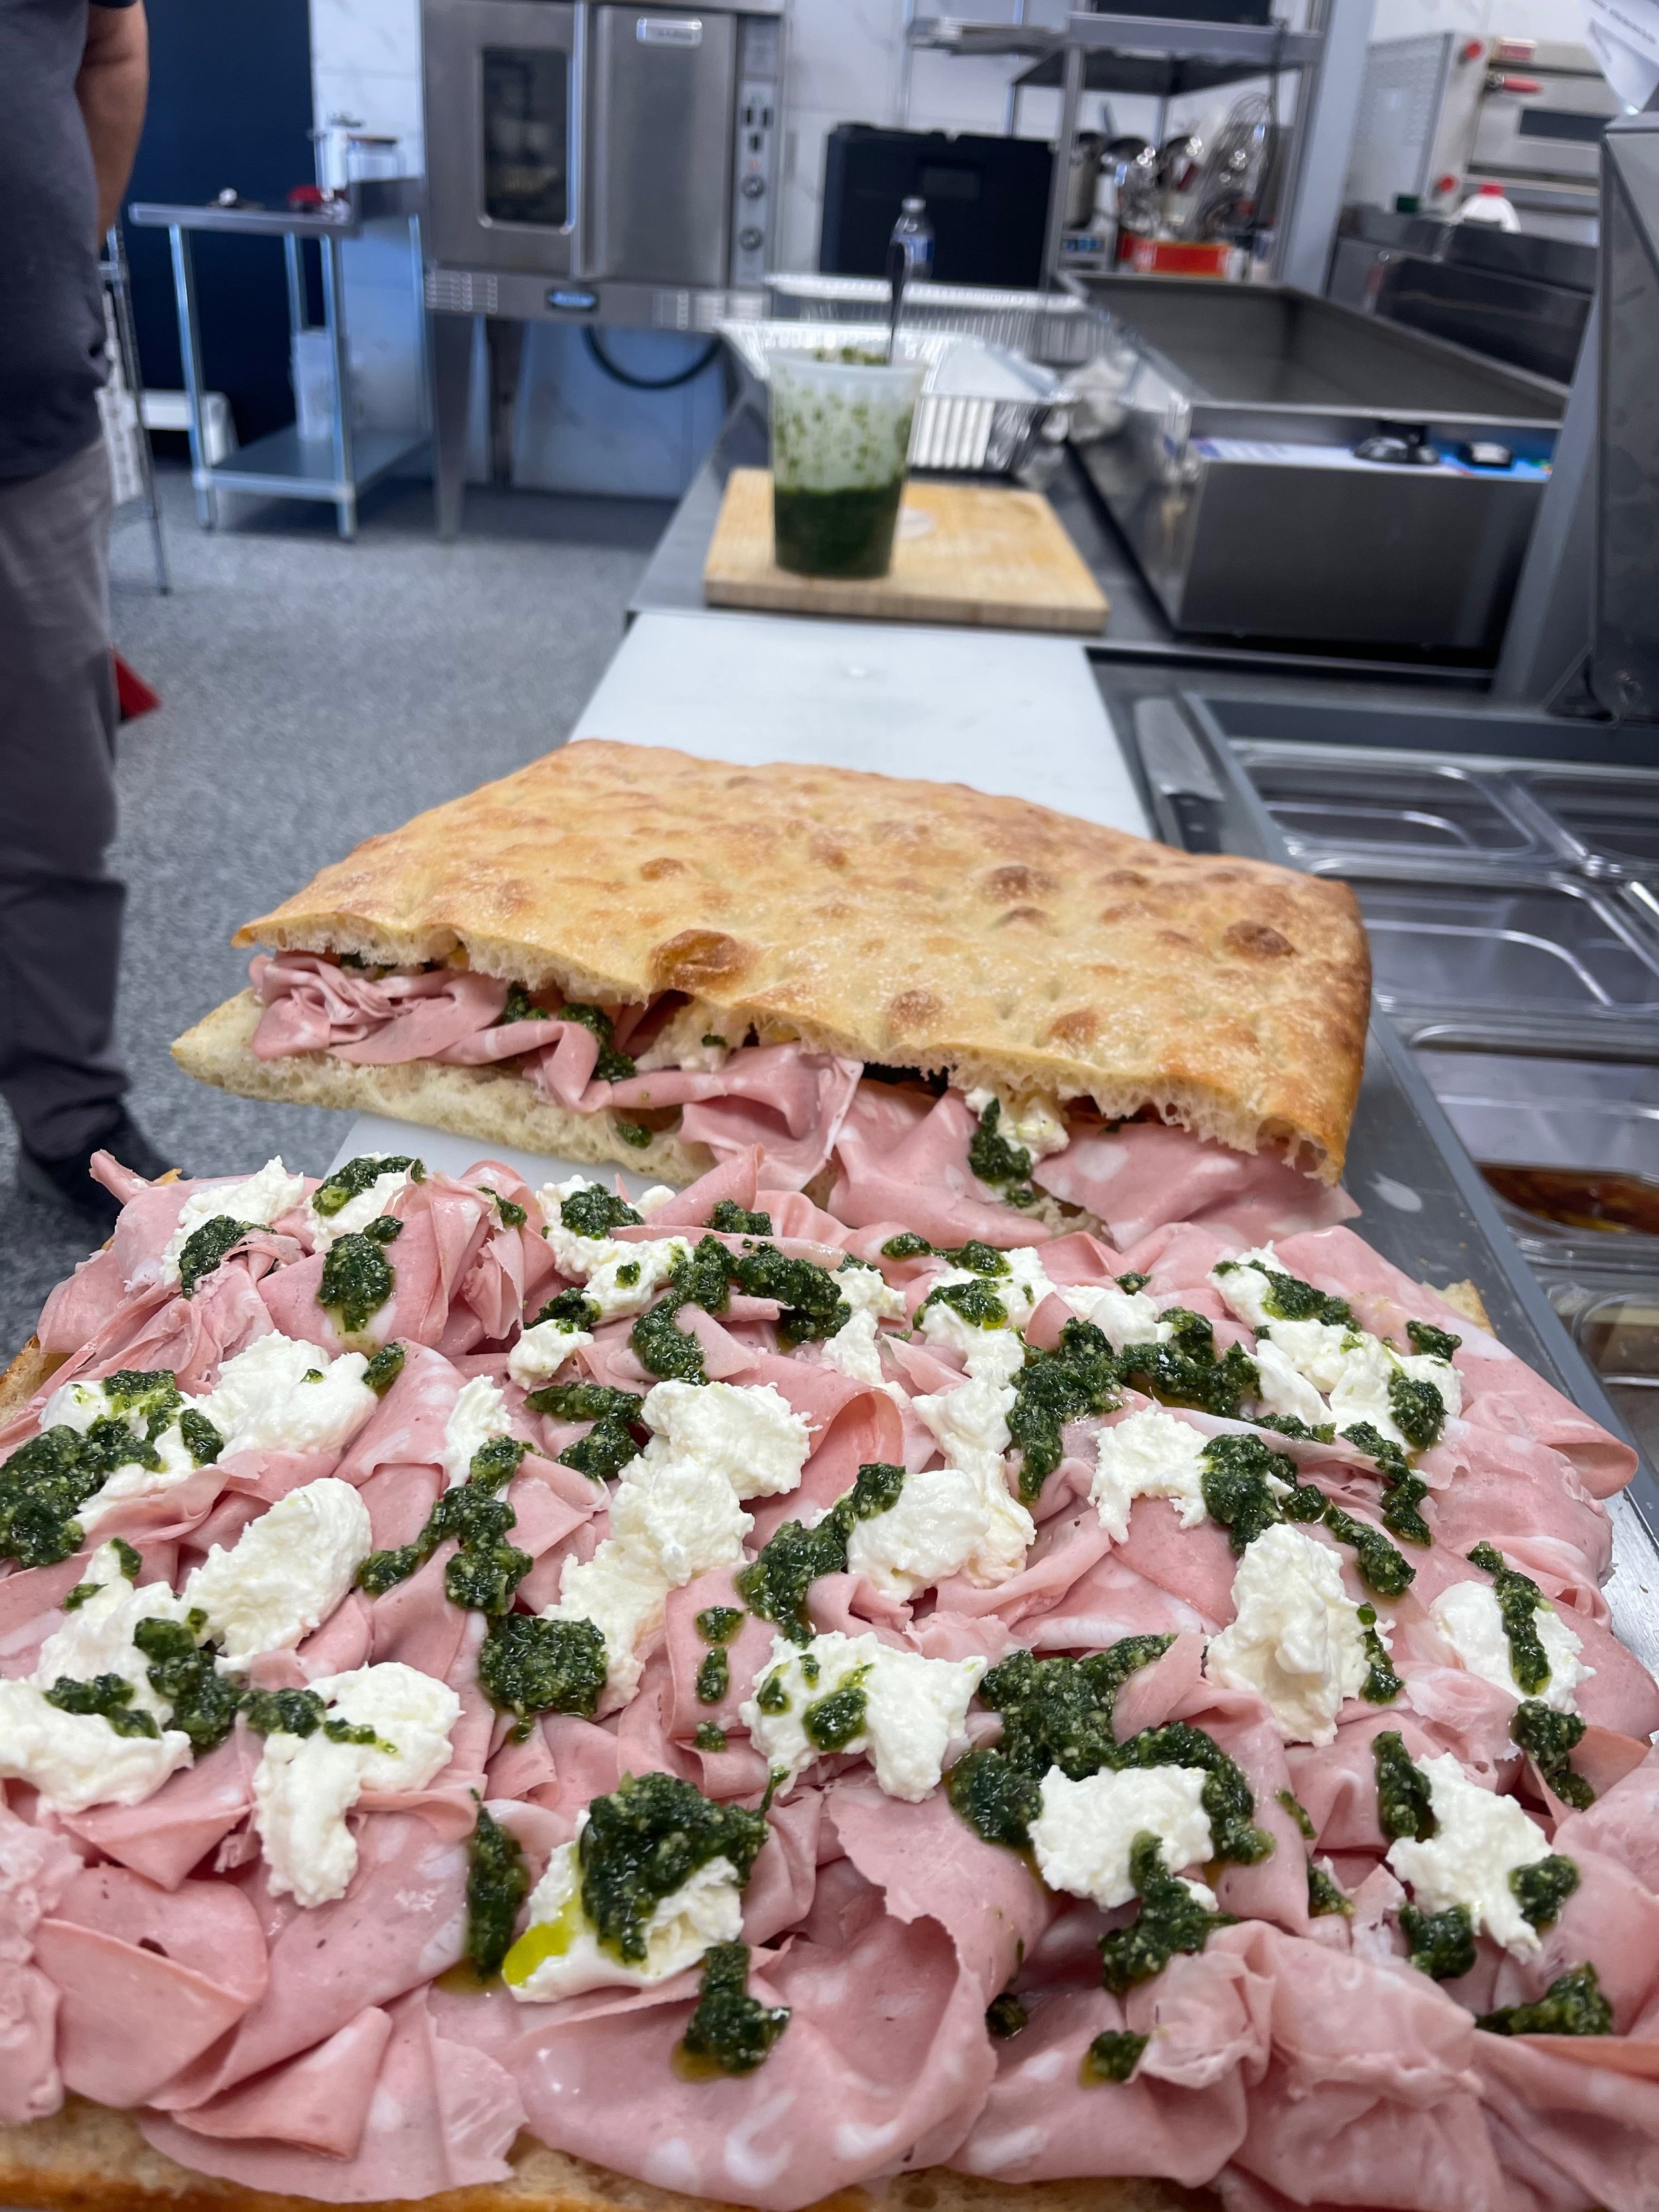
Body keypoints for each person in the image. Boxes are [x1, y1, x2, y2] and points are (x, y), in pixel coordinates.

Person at [0, 0, 174, 1226]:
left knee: (59, 807)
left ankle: (68, 1115)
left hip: (34, 437)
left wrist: (64, 250)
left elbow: (111, 40)